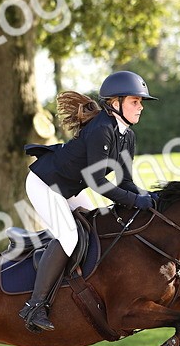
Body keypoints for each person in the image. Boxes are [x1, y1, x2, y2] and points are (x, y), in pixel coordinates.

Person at [19, 70, 158, 332]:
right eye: (135, 101)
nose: (140, 107)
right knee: (70, 237)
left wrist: (147, 198)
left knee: (96, 228)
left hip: (69, 187)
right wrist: (134, 201)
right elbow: (96, 182)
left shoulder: (127, 136)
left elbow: (124, 181)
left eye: (140, 102)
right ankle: (34, 307)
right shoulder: (101, 129)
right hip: (45, 183)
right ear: (115, 103)